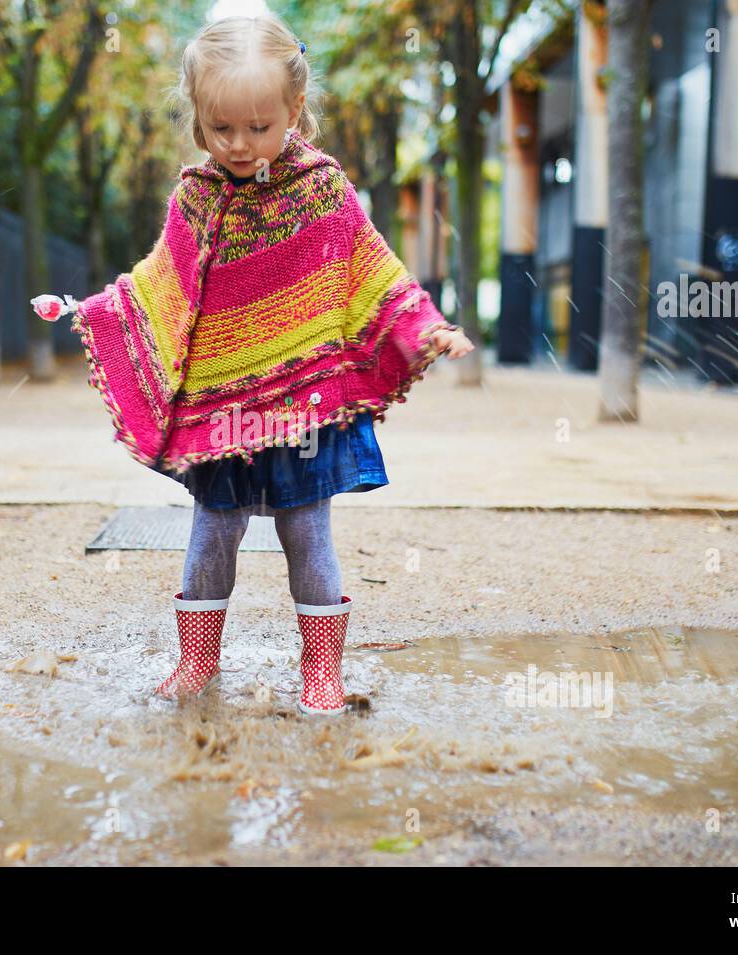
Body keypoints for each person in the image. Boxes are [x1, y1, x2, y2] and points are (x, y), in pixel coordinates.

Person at [35, 12, 473, 715]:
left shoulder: (323, 192)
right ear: (199, 119)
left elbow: (375, 271)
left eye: (259, 127)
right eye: (221, 129)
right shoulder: (197, 198)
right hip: (224, 410)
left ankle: (322, 670)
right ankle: (197, 659)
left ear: (295, 109)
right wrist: (87, 308)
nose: (240, 144)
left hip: (306, 405)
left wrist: (425, 326)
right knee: (213, 531)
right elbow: (157, 286)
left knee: (307, 533)